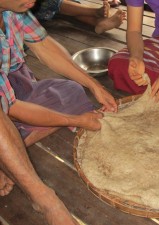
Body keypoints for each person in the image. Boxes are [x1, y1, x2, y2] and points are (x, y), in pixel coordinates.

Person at [0, 0, 118, 223]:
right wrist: (75, 120)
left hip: (11, 85)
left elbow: (44, 45)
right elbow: (11, 108)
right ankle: (44, 200)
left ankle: (10, 158)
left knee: (71, 92)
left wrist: (94, 85)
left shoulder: (14, 8)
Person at [32, 0, 126, 34]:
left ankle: (99, 23)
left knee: (71, 10)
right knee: (54, 3)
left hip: (51, 12)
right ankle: (96, 13)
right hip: (36, 10)